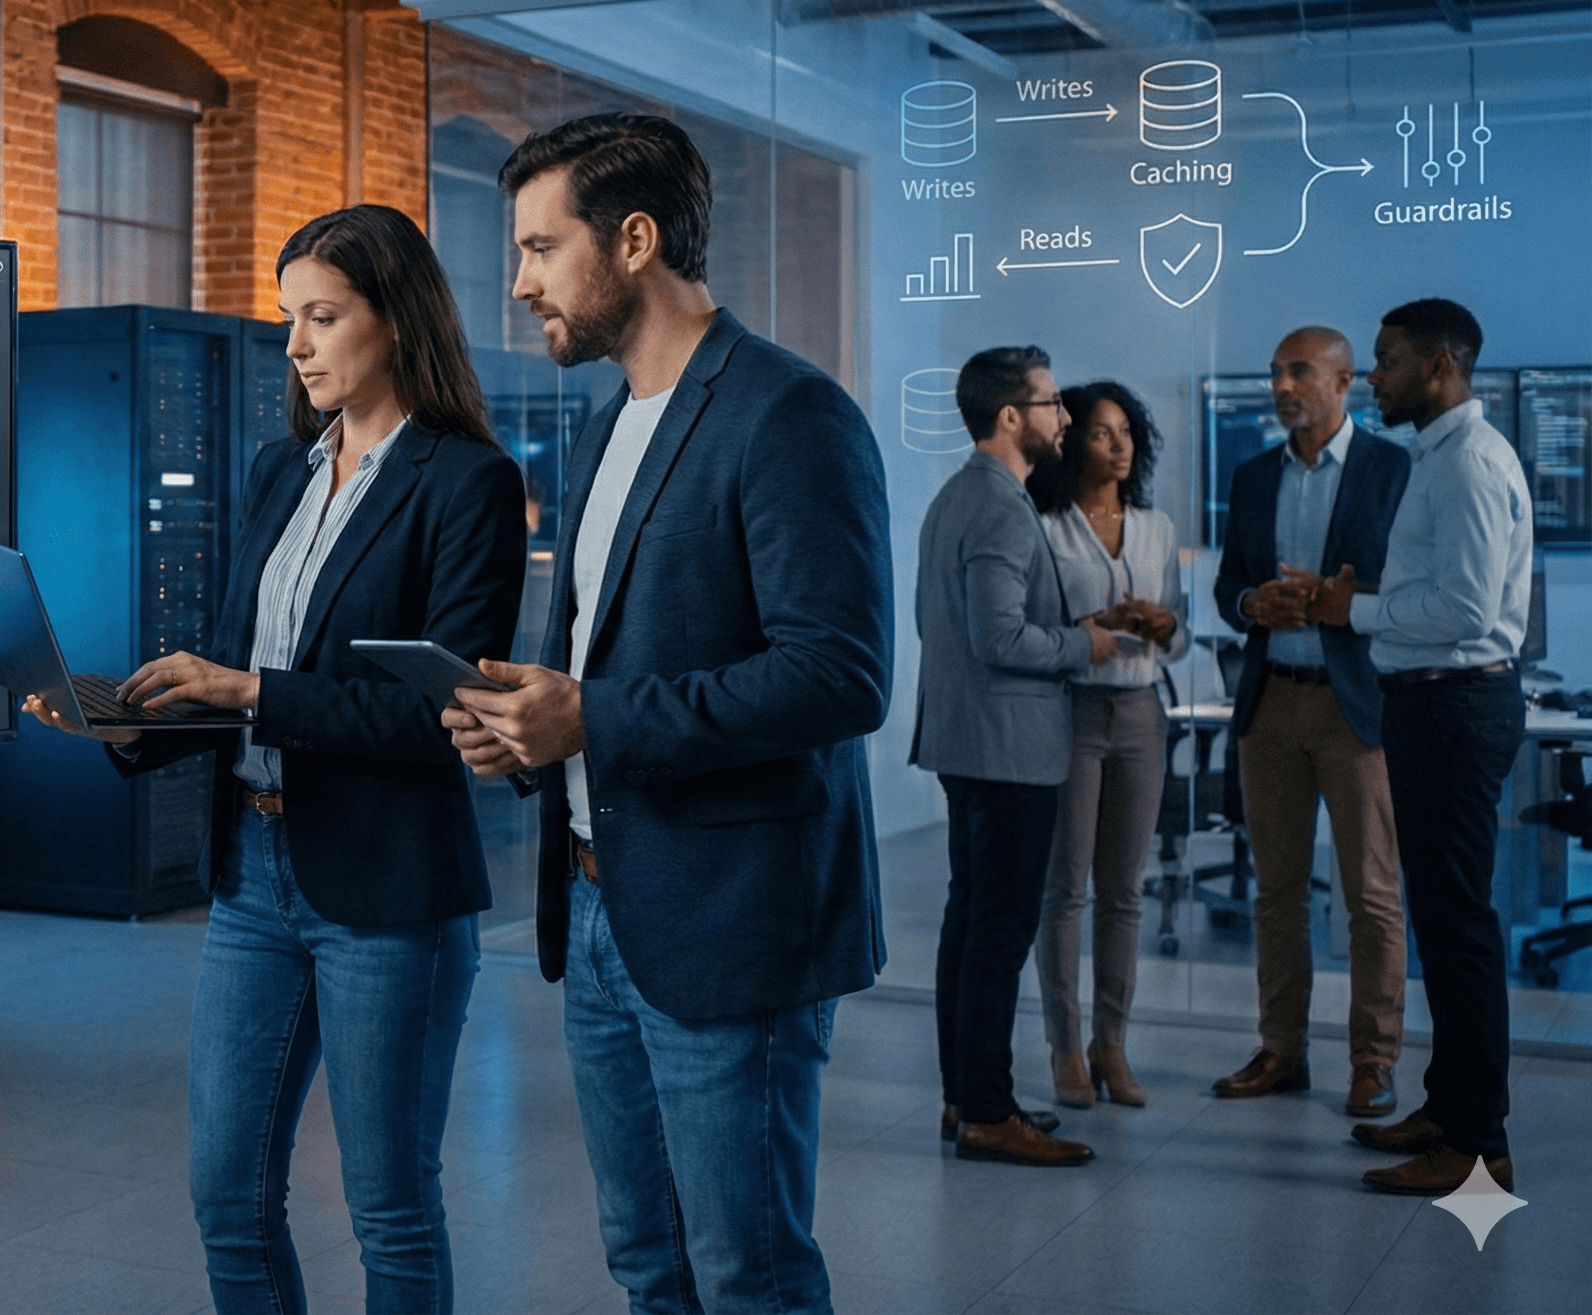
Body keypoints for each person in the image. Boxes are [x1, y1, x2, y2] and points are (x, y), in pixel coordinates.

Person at [27, 203, 526, 1313]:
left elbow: (435, 718)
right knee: (226, 1195)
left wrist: (245, 690)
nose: (294, 346)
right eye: (287, 317)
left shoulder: (464, 482)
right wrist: (126, 716)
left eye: (321, 317)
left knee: (390, 1204)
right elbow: (234, 680)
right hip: (252, 876)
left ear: (394, 321)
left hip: (387, 886)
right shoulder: (277, 472)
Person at [441, 112, 892, 1314]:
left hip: (731, 921)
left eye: (541, 248)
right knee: (646, 1263)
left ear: (632, 239)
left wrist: (589, 718)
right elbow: (599, 659)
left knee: (746, 1273)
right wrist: (523, 733)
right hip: (602, 901)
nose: (520, 281)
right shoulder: (606, 426)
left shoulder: (788, 414)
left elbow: (840, 676)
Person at [1298, 299, 1529, 1195]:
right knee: (1442, 920)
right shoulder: (1440, 458)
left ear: (1439, 367)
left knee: (1459, 929)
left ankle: (1477, 1144)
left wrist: (1348, 608)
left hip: (1455, 708)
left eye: (1387, 362)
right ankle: (1448, 1107)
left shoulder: (1468, 464)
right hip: (1433, 704)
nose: (1374, 378)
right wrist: (1374, 596)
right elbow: (1443, 592)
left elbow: (1468, 614)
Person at [912, 345, 1113, 1168]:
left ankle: (969, 1095)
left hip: (971, 742)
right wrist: (1086, 643)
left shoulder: (958, 497)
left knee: (972, 926)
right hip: (1006, 750)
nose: (1064, 418)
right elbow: (999, 637)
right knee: (997, 933)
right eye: (1051, 403)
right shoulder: (996, 504)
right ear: (1009, 417)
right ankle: (990, 1113)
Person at [1208, 327, 1412, 1119]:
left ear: (1345, 379)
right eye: (1274, 371)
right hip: (1272, 702)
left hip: (1354, 703)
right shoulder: (1254, 475)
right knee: (1278, 891)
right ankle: (1281, 1051)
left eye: (1298, 371)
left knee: (1370, 893)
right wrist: (1256, 603)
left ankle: (1373, 1060)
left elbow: (1412, 589)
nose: (1281, 385)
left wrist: (1342, 602)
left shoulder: (1394, 470)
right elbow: (1231, 587)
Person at [1027, 381, 1187, 1111]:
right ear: (1072, 442)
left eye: (1126, 431)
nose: (1119, 445)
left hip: (1141, 713)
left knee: (1124, 893)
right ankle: (1065, 1047)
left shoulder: (1156, 526)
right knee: (1065, 891)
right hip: (1071, 711)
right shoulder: (1046, 524)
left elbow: (1181, 638)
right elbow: (1035, 628)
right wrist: (1098, 619)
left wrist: (1161, 626)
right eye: (1101, 431)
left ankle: (1111, 1044)